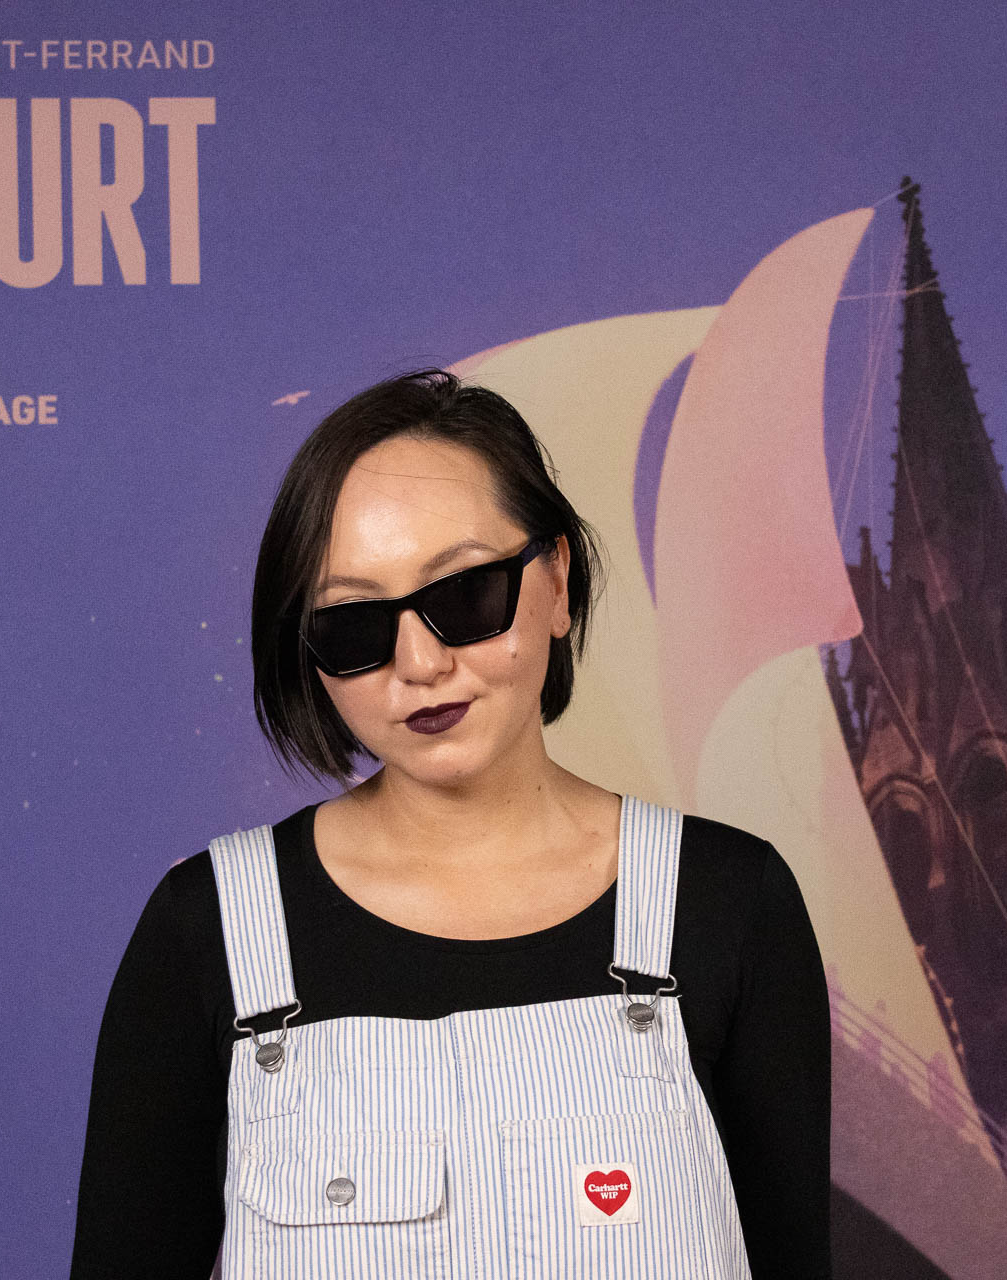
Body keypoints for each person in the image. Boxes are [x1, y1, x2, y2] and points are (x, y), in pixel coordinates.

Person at [69, 370, 833, 1277]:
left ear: (556, 581)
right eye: (355, 625)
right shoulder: (210, 932)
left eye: (466, 594)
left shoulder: (729, 906)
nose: (420, 663)